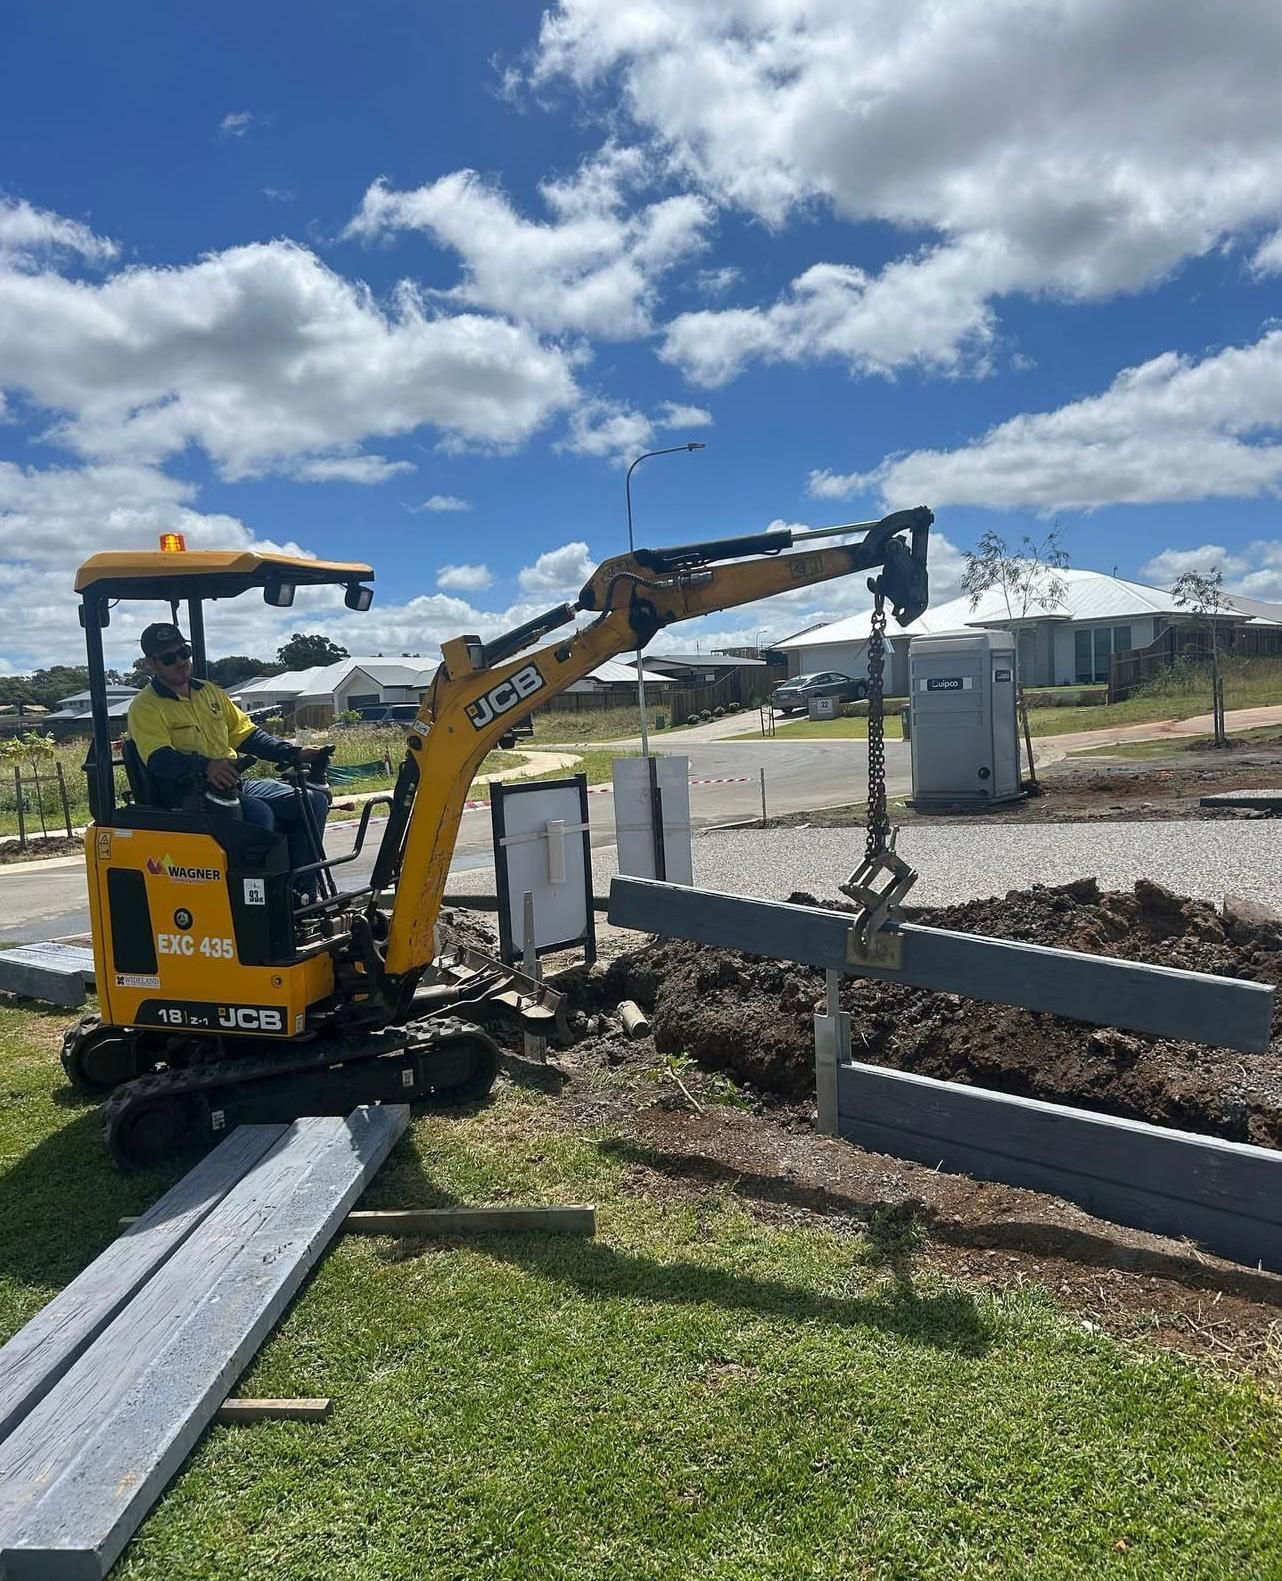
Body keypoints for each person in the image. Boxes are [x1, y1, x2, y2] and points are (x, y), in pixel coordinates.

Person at [126, 622, 330, 900]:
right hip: (189, 795)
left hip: (233, 784)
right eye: (168, 658)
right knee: (260, 815)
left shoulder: (209, 692)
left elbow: (245, 735)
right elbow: (159, 759)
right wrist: (205, 766)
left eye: (184, 652)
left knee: (312, 800)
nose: (180, 662)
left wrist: (291, 753)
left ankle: (302, 892)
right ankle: (257, 902)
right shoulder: (145, 707)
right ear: (150, 664)